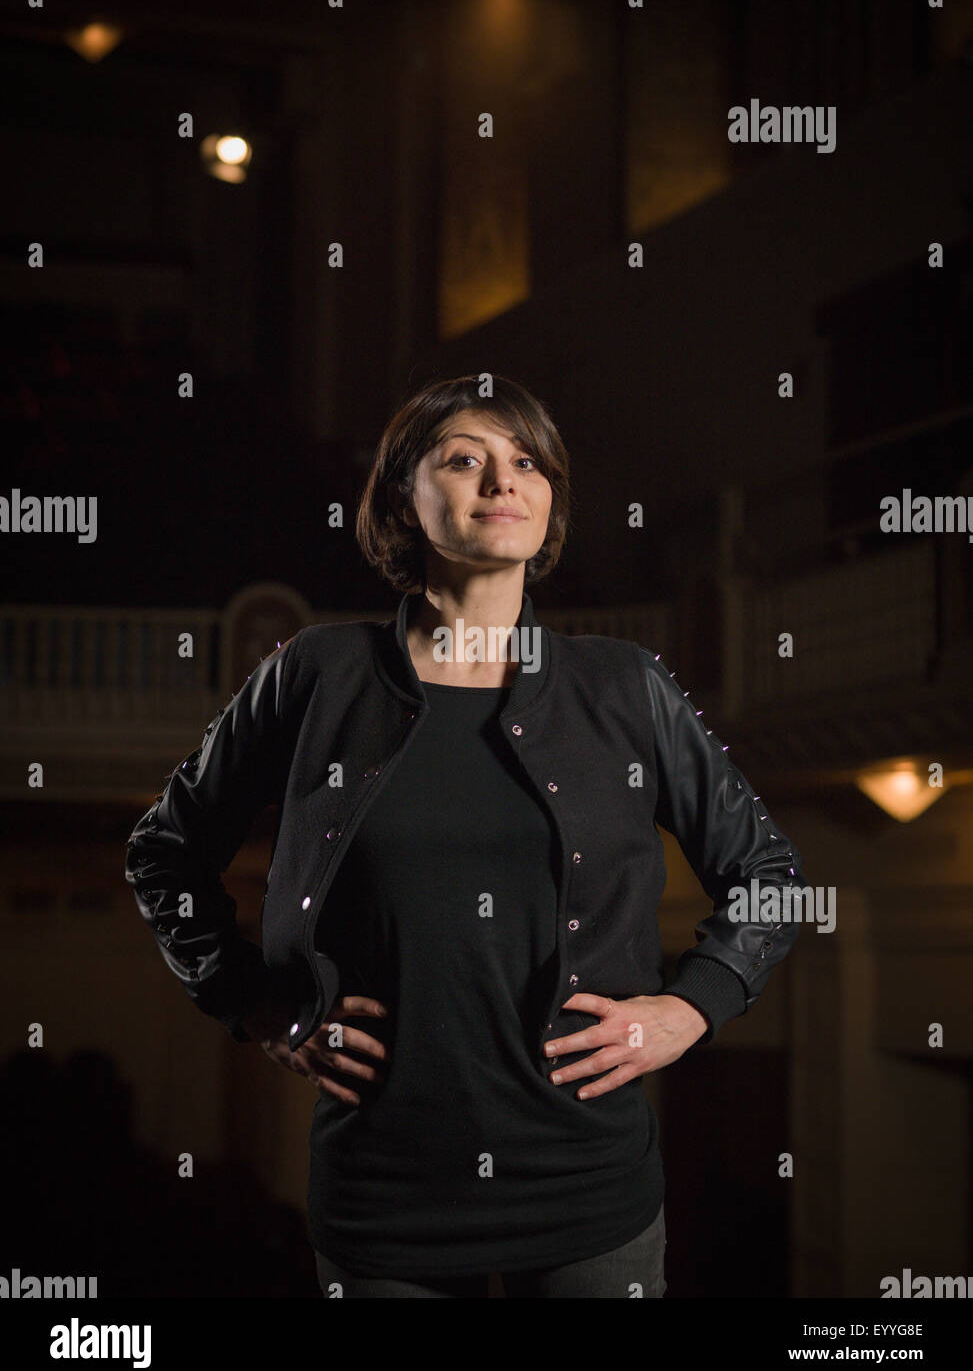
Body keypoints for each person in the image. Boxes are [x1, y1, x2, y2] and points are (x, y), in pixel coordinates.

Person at [125, 374, 808, 1299]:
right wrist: (255, 1001)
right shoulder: (312, 677)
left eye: (527, 463)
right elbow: (163, 851)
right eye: (464, 460)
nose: (503, 481)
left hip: (589, 1192)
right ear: (403, 497)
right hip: (384, 1197)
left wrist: (693, 1006)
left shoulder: (625, 686)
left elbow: (767, 873)